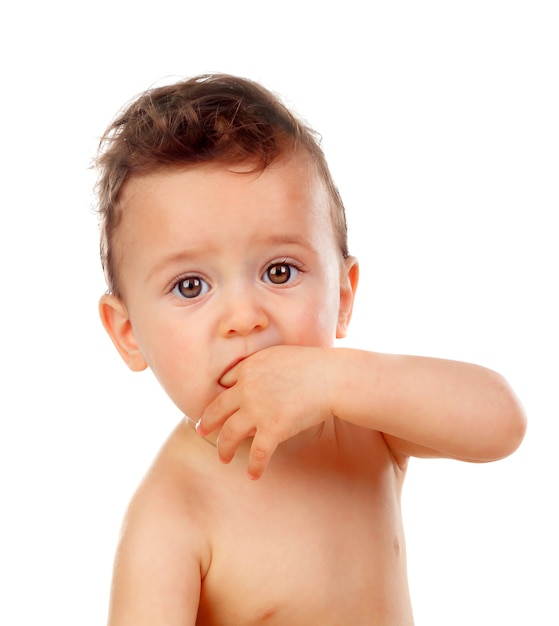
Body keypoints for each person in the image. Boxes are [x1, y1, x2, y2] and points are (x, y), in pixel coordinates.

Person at [95, 73, 526, 625]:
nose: (245, 318)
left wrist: (337, 381)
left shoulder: (366, 422)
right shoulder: (174, 511)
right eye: (190, 286)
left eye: (280, 271)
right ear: (128, 333)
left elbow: (502, 423)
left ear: (342, 297)